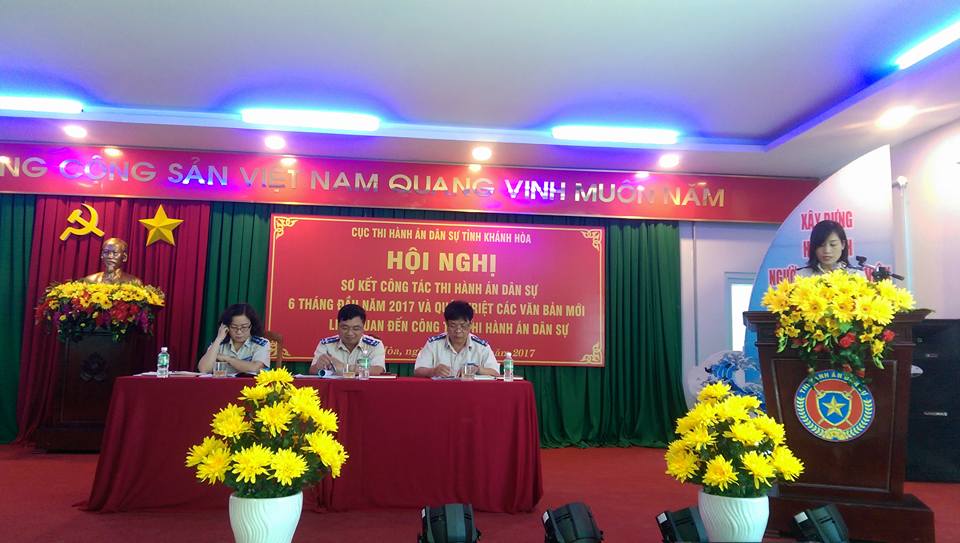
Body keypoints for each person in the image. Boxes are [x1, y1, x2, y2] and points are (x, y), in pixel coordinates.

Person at [414, 300, 500, 378]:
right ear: (446, 324)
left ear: (470, 324)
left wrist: (478, 369)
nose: (458, 330)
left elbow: (496, 373)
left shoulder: (481, 347)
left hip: (471, 390)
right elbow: (418, 371)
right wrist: (433, 371)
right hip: (440, 389)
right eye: (453, 325)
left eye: (463, 325)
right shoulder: (433, 344)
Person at [308, 304, 386, 376]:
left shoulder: (375, 345)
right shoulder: (326, 345)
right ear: (338, 326)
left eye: (356, 328)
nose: (350, 333)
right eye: (345, 328)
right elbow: (312, 371)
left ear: (363, 328)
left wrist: (343, 367)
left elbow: (378, 370)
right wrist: (318, 366)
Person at [197, 304, 270, 375]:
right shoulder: (219, 343)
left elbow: (256, 368)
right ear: (226, 326)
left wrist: (228, 359)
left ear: (252, 325)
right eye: (234, 327)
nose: (239, 332)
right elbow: (204, 369)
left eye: (244, 327)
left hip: (249, 383)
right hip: (223, 382)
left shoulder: (261, 343)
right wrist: (218, 339)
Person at [796, 220, 865, 277]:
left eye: (833, 244)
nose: (827, 250)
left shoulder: (857, 275)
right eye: (821, 245)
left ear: (843, 244)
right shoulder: (802, 276)